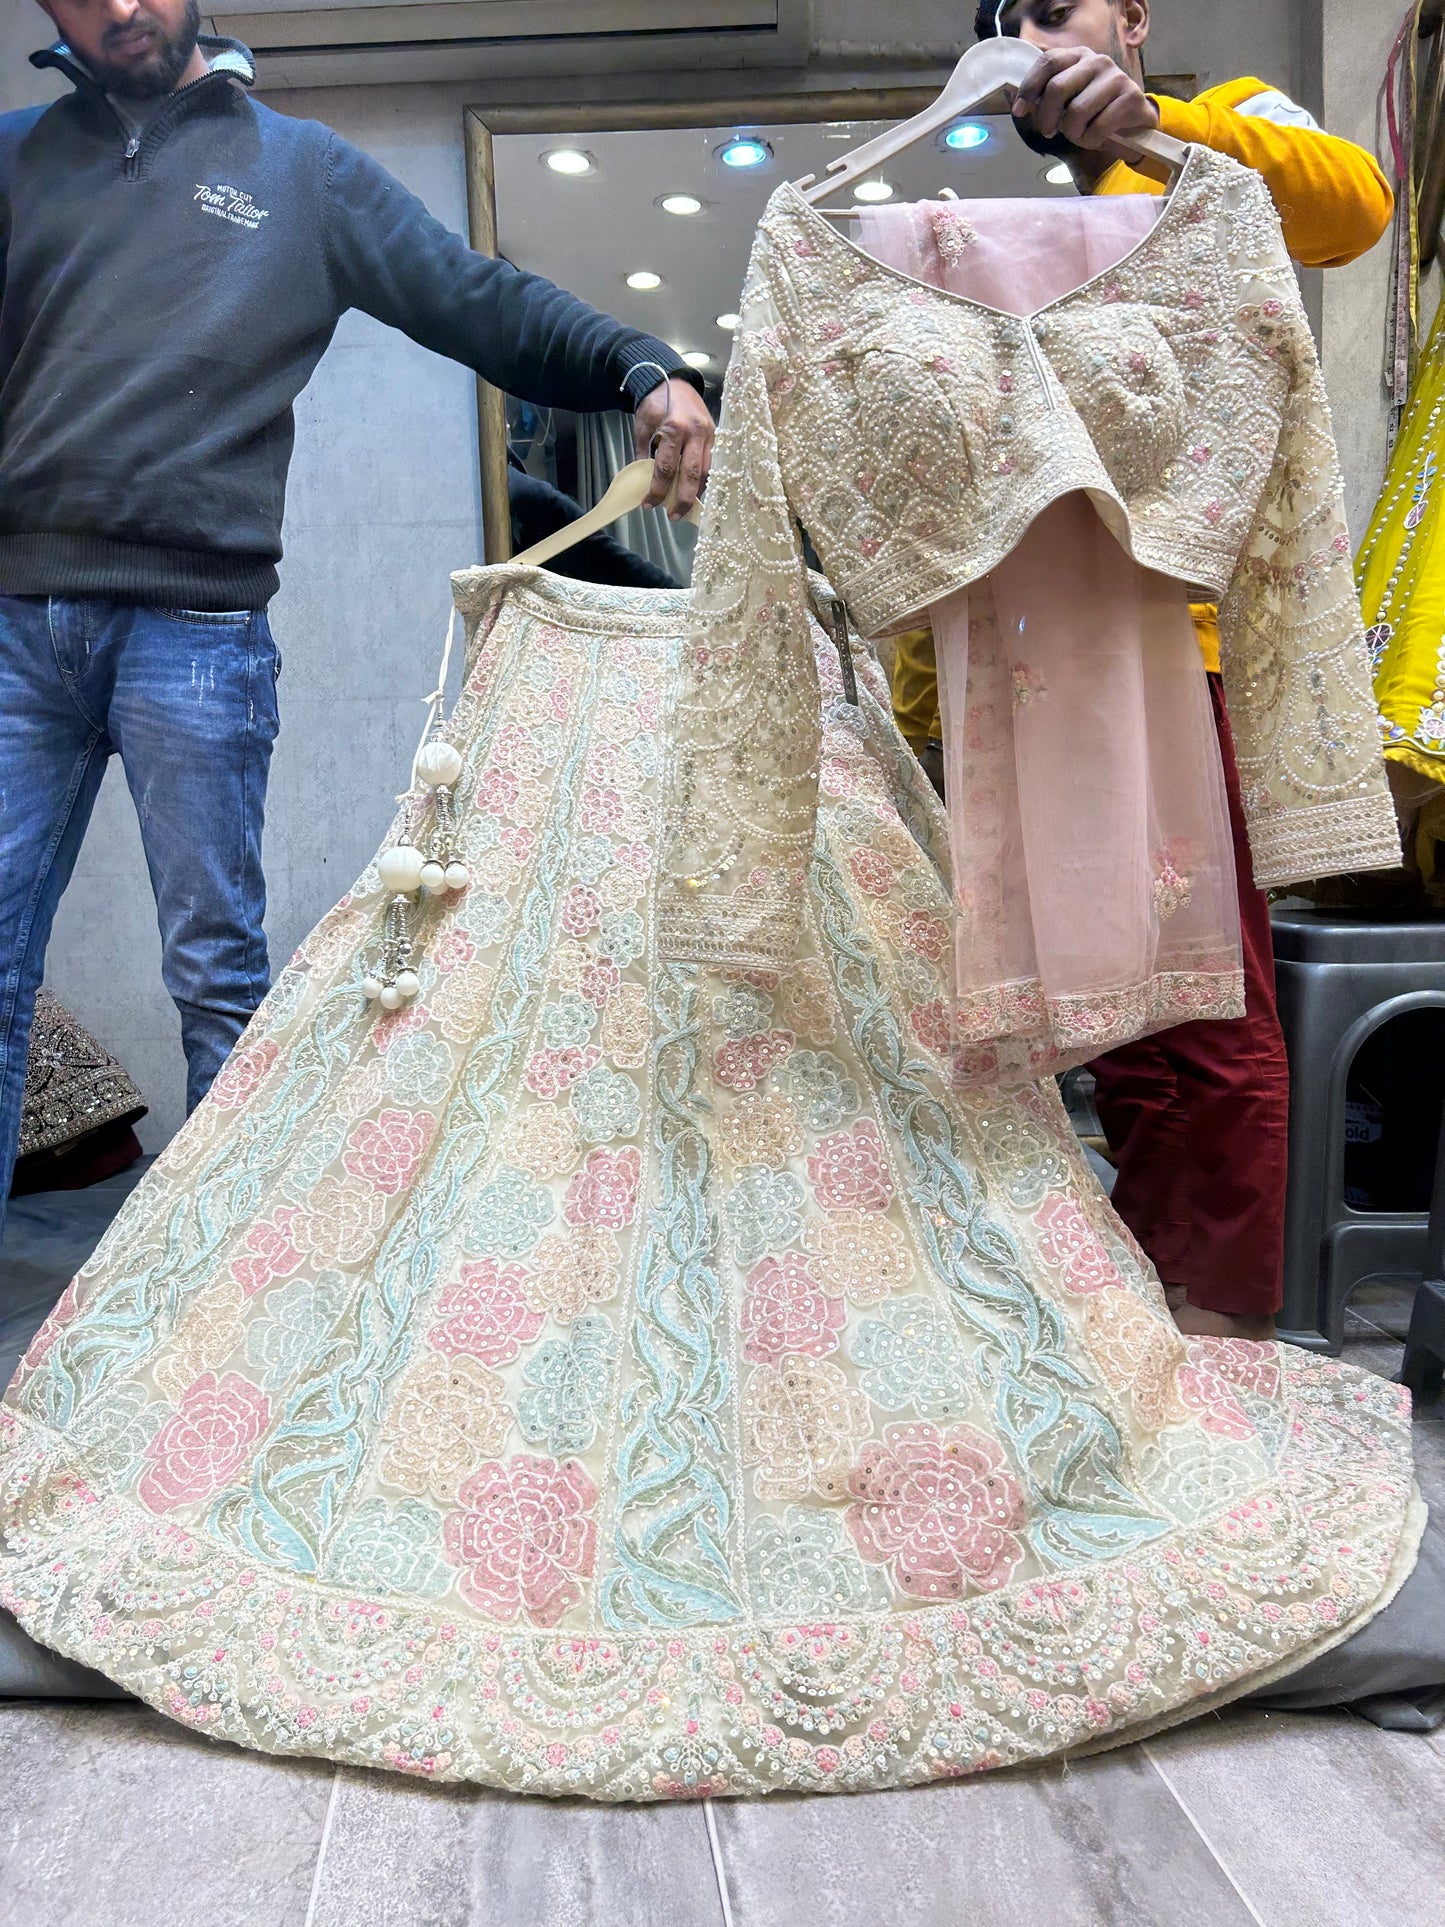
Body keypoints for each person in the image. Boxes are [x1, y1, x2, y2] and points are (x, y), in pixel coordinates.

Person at [0, 2, 715, 1241]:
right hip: (13, 628)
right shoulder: (13, 158)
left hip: (197, 631)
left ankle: (216, 1307)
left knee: (217, 982)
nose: (118, 5)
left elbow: (475, 299)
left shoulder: (302, 173)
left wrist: (639, 366)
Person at [887, 0, 1397, 1340]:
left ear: (1132, 12)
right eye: (1021, 14)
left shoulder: (1221, 126)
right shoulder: (957, 200)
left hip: (1176, 644)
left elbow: (1355, 208)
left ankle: (1215, 1344)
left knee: (1198, 1004)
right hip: (1016, 666)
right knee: (1096, 1022)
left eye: (1070, 2)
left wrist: (1160, 130)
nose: (1051, 32)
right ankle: (1143, 1329)